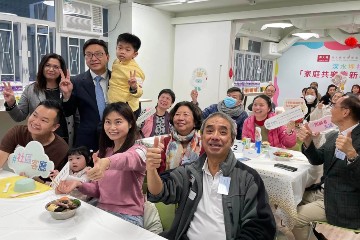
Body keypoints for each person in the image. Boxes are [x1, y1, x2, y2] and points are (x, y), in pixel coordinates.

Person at [146, 112, 276, 240]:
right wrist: (151, 169)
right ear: (202, 137)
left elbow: (260, 227)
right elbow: (160, 190)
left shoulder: (248, 178)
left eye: (223, 132)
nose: (215, 136)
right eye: (209, 131)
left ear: (232, 141)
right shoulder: (190, 172)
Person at [57, 102, 146, 227]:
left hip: (128, 216)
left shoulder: (139, 151)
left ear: (131, 124)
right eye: (108, 122)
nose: (112, 127)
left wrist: (106, 162)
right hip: (101, 210)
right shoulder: (103, 153)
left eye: (118, 122)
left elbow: (127, 159)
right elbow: (98, 191)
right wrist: (79, 184)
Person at [293, 95, 360, 239]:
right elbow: (317, 159)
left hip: (342, 201)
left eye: (334, 106)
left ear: (345, 112)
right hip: (323, 190)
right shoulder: (334, 135)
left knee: (293, 218)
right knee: (288, 200)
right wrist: (308, 142)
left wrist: (352, 155)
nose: (331, 110)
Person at [3, 53, 72, 144]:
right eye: (47, 65)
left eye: (56, 67)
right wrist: (11, 103)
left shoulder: (69, 88)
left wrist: (67, 94)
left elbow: (75, 116)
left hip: (65, 139)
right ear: (42, 67)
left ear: (61, 70)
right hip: (39, 140)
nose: (51, 69)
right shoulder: (30, 89)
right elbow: (19, 117)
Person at [60, 39, 110, 152]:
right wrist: (67, 94)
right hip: (87, 140)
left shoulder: (118, 79)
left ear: (107, 57)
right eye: (89, 55)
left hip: (115, 137)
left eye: (98, 54)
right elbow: (68, 112)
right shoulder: (76, 81)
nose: (93, 58)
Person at [0, 100, 68, 182]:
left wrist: (33, 179)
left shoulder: (61, 149)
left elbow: (58, 184)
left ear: (54, 127)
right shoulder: (17, 133)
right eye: (35, 115)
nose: (35, 122)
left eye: (44, 120)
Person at [157, 101, 203, 173]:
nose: (180, 118)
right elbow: (158, 171)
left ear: (195, 122)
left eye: (186, 114)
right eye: (177, 114)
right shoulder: (164, 142)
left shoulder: (203, 143)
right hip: (167, 183)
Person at [107, 33, 145, 118]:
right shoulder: (116, 62)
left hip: (127, 107)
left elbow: (140, 92)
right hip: (114, 104)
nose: (122, 52)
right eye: (120, 48)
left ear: (135, 54)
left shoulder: (136, 71)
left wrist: (134, 87)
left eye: (127, 50)